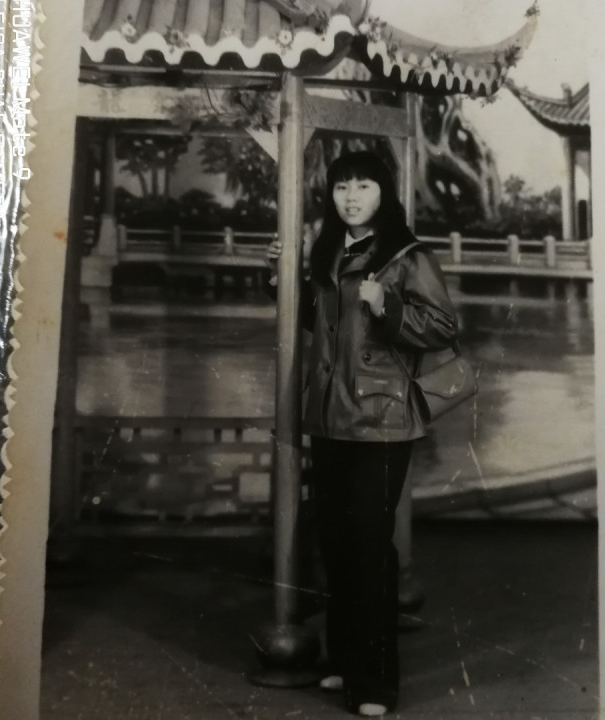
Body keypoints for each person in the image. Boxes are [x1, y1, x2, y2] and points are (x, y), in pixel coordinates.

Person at [266, 151, 457, 717]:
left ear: (384, 193)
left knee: (369, 546)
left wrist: (388, 304)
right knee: (336, 540)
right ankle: (346, 662)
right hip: (330, 417)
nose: (351, 197)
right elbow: (318, 323)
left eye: (363, 186)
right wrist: (278, 279)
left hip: (382, 420)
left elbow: (443, 326)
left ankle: (375, 684)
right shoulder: (328, 251)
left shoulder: (406, 255)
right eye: (342, 187)